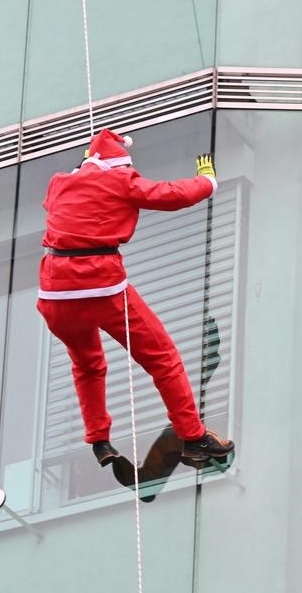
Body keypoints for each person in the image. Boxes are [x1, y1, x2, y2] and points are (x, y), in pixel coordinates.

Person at [37, 129, 235, 481]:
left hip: (55, 294)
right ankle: (193, 438)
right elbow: (170, 195)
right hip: (100, 286)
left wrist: (86, 165)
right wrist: (207, 181)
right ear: (121, 164)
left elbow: (67, 198)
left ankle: (99, 440)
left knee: (87, 364)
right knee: (163, 359)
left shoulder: (58, 183)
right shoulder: (121, 180)